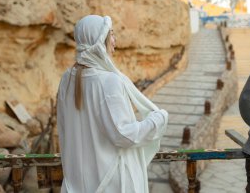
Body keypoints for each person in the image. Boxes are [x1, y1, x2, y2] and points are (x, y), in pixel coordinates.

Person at [57, 15, 169, 193]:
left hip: (79, 182)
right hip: (111, 183)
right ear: (100, 41)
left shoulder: (66, 80)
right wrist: (158, 120)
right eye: (111, 35)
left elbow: (64, 129)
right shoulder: (109, 81)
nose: (115, 42)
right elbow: (124, 135)